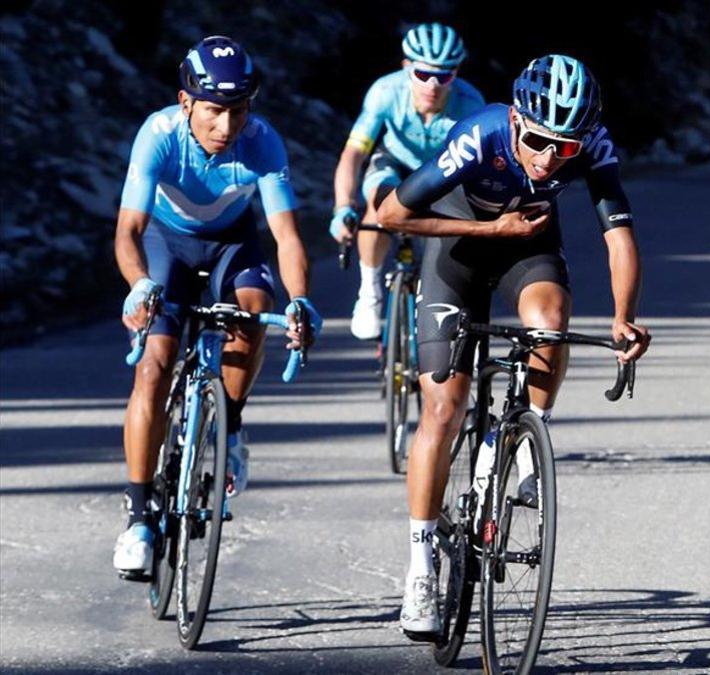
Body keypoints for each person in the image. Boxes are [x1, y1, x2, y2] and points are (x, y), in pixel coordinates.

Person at [374, 54, 650, 639]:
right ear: (518, 120)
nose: (551, 159)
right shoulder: (480, 134)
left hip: (528, 244)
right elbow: (393, 215)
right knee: (444, 408)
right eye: (540, 141)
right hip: (458, 244)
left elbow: (619, 235)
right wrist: (489, 229)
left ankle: (525, 433)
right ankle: (421, 564)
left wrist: (625, 318)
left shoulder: (591, 144)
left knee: (550, 319)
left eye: (566, 149)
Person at [112, 36, 320, 576]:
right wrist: (138, 285)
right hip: (166, 245)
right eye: (214, 111)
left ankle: (228, 424)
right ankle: (138, 517)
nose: (226, 127)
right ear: (186, 103)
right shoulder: (157, 135)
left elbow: (287, 236)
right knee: (153, 369)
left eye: (239, 111)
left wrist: (300, 301)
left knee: (252, 314)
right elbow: (128, 231)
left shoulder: (263, 142)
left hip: (233, 242)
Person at [330, 22, 484, 340]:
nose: (432, 85)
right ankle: (369, 290)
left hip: (442, 170)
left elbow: (478, 170)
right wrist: (343, 206)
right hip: (394, 164)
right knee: (379, 207)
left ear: (456, 74)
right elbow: (353, 155)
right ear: (406, 68)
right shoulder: (385, 92)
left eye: (444, 76)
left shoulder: (471, 104)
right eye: (423, 74)